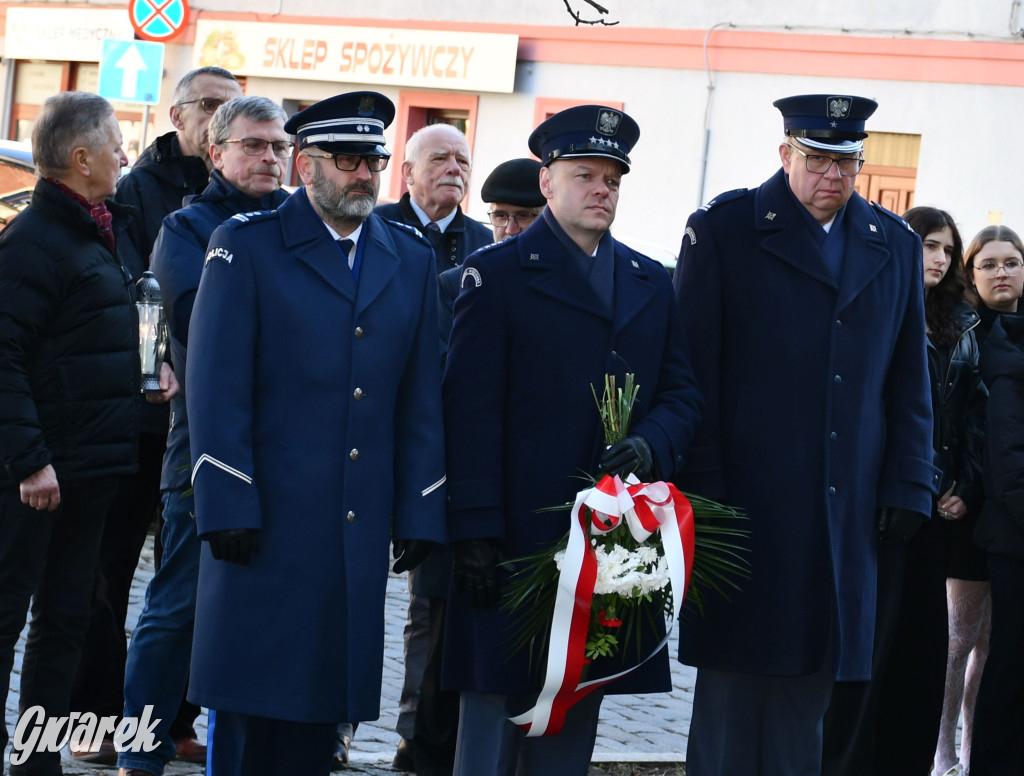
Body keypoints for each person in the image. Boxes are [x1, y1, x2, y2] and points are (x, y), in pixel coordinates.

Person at [673, 93, 937, 775]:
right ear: (784, 153)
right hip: (747, 505)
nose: (832, 175)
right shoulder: (725, 231)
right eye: (817, 159)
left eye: (846, 162)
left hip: (843, 510)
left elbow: (909, 381)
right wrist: (703, 493)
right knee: (733, 702)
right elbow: (693, 371)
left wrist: (909, 483)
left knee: (809, 704)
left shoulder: (893, 244)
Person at [185, 91, 445, 775]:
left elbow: (419, 399)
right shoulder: (246, 246)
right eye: (350, 159)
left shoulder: (409, 258)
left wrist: (420, 507)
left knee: (318, 720)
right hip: (263, 525)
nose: (366, 174)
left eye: (376, 160)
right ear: (305, 165)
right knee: (248, 718)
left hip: (352, 530)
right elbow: (216, 389)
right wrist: (228, 501)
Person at [442, 104, 703, 776]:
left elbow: (682, 394)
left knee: (574, 717)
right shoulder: (496, 276)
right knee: (492, 730)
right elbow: (467, 410)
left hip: (611, 543)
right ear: (547, 181)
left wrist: (650, 443)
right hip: (513, 540)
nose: (601, 190)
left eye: (613, 179)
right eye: (585, 175)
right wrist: (472, 527)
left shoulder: (651, 282)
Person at [70, 65, 243, 765]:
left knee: (189, 575)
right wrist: (155, 363)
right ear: (178, 116)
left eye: (229, 107)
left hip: (206, 422)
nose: (218, 117)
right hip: (142, 415)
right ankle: (91, 720)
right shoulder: (140, 191)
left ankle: (173, 718)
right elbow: (136, 287)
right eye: (208, 105)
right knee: (107, 573)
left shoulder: (248, 194)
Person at [115, 96, 292, 776]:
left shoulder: (309, 224)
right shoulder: (189, 229)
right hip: (208, 454)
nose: (269, 158)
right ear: (215, 153)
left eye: (278, 146)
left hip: (291, 454)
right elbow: (200, 318)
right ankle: (141, 746)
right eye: (253, 145)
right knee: (179, 608)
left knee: (273, 611)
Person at [0, 91, 173, 774]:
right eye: (114, 144)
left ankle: (35, 761)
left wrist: (150, 366)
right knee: (7, 619)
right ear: (80, 159)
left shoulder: (96, 229)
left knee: (66, 622)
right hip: (36, 475)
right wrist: (28, 460)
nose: (124, 155)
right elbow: (3, 354)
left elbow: (90, 338)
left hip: (91, 471)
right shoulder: (34, 241)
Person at [412, 156, 546, 776]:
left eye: (524, 217)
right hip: (460, 497)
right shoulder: (457, 285)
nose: (510, 230)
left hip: (535, 503)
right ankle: (425, 754)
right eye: (500, 218)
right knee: (443, 645)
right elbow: (439, 397)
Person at [373, 121, 491, 772]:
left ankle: (418, 736)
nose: (452, 167)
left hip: (449, 444)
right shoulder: (380, 230)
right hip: (381, 436)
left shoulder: (482, 243)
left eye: (462, 159)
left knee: (435, 599)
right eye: (439, 158)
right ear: (408, 174)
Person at [870, 207, 986, 775]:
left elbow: (973, 413)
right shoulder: (882, 308)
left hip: (944, 503)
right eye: (927, 246)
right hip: (891, 496)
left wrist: (963, 482)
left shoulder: (964, 324)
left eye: (946, 249)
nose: (938, 259)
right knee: (881, 632)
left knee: (924, 637)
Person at [967, 226, 1024, 776]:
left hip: (1003, 516)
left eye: (1012, 262)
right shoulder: (974, 338)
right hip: (988, 517)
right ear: (972, 273)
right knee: (974, 651)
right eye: (990, 264)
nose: (1002, 272)